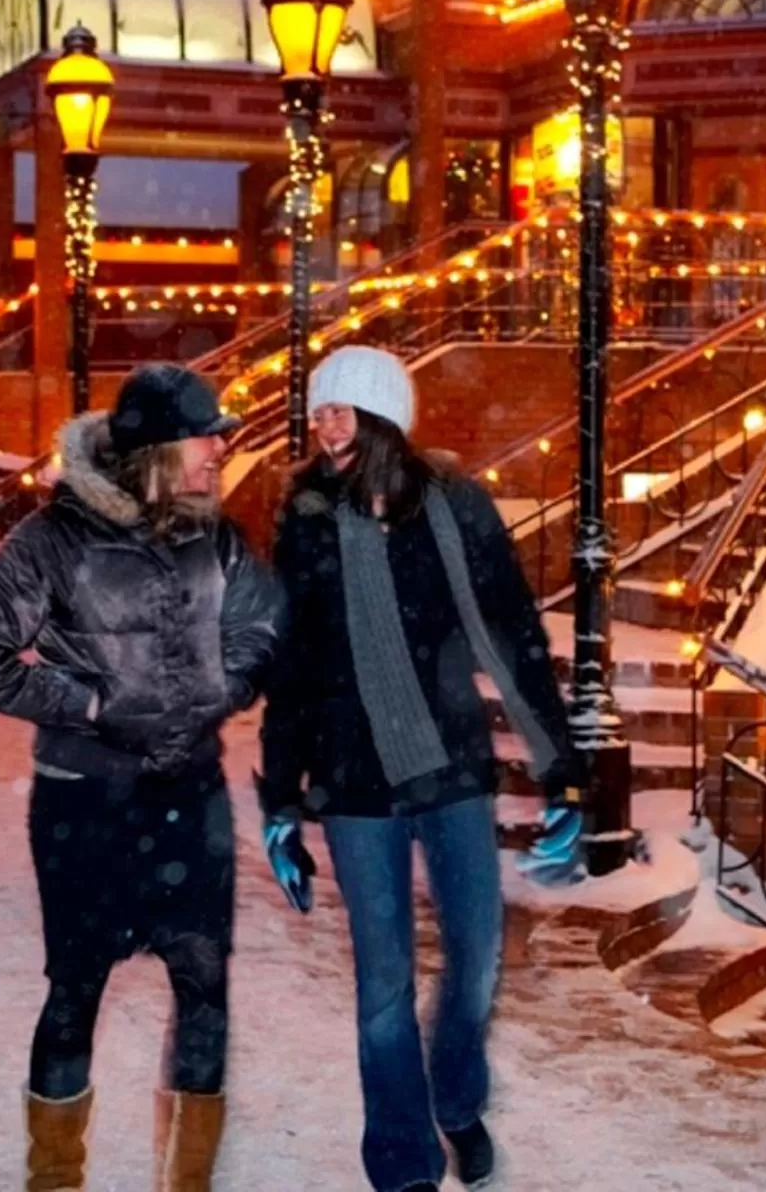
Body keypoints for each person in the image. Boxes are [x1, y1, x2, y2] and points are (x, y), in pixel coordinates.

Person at [0, 364, 283, 1192]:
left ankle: (187, 1183)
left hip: (190, 793)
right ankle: (54, 1178)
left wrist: (225, 687)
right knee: (77, 989)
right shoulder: (55, 536)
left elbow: (264, 622)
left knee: (206, 987)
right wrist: (91, 705)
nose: (221, 447)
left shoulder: (217, 532)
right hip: (86, 797)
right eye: (208, 434)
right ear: (161, 448)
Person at [260, 346, 583, 1192]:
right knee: (384, 982)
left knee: (477, 955)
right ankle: (401, 1159)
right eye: (318, 410)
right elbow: (288, 660)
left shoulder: (455, 507)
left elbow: (509, 630)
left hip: (450, 765)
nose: (322, 423)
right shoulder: (306, 517)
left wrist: (564, 771)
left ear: (382, 420)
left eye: (340, 409)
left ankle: (456, 1101)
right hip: (352, 779)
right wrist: (280, 801)